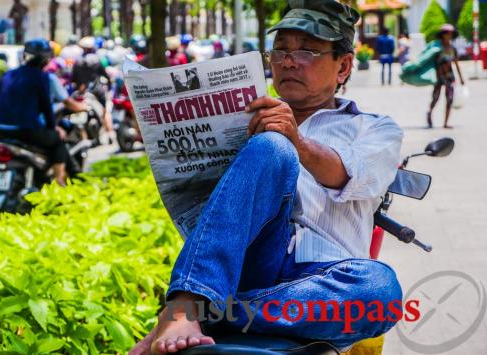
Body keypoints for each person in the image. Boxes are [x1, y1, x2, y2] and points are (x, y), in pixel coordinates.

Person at [130, 1, 404, 354]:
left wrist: (299, 142)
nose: (289, 61)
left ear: (343, 66)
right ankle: (188, 303)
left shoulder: (375, 128)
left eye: (307, 50)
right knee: (272, 147)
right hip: (254, 261)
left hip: (324, 282)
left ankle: (214, 311)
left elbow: (348, 173)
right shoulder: (247, 114)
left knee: (381, 291)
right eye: (280, 50)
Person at [0, 39, 69, 186]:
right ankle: (60, 182)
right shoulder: (42, 77)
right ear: (45, 59)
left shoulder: (8, 75)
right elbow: (46, 108)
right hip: (26, 131)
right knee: (58, 142)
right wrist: (53, 129)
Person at [427, 24, 465, 129]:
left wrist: (461, 78)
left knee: (449, 99)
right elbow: (430, 63)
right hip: (439, 77)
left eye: (451, 34)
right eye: (447, 33)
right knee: (435, 98)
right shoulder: (436, 49)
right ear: (442, 35)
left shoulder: (453, 49)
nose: (449, 36)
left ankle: (445, 122)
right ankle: (429, 113)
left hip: (449, 77)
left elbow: (457, 64)